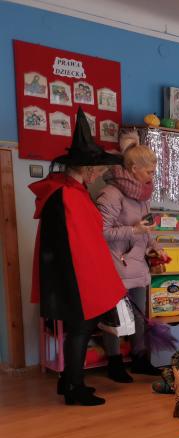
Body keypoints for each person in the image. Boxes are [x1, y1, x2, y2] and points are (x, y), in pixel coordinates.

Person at [32, 107, 126, 406]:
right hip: (74, 278)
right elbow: (74, 247)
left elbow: (85, 241)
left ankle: (67, 381)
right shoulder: (67, 195)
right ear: (84, 168)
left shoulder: (71, 191)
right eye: (95, 169)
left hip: (73, 276)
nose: (98, 173)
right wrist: (89, 284)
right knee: (80, 330)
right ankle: (74, 388)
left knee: (78, 330)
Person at [96, 129, 162, 382]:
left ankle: (140, 359)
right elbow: (100, 232)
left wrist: (154, 245)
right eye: (149, 172)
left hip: (137, 265)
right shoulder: (110, 194)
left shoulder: (143, 196)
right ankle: (114, 364)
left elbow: (145, 227)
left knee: (139, 317)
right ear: (134, 169)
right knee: (115, 318)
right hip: (115, 265)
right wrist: (133, 230)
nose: (152, 177)